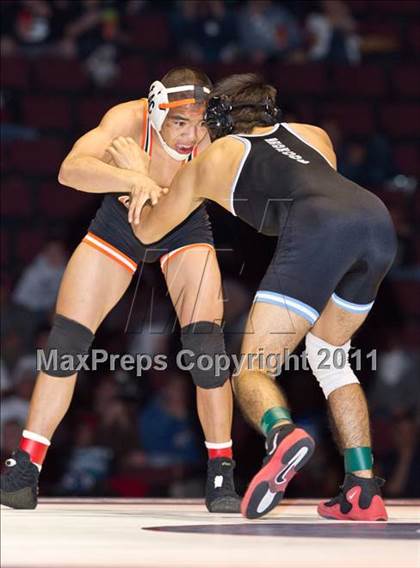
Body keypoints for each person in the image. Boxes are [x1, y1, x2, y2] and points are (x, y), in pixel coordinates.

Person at [123, 73, 397, 521]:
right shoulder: (314, 135)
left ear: (220, 118)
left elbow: (149, 232)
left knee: (251, 370)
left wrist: (138, 178)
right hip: (375, 223)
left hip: (318, 229)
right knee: (330, 354)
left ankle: (282, 434)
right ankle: (362, 489)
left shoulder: (212, 159)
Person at [0, 67, 240, 513]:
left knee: (207, 346)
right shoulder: (128, 120)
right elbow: (70, 170)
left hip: (183, 226)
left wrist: (149, 181)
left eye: (199, 123)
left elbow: (238, 192)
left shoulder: (215, 140)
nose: (190, 136)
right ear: (154, 114)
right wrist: (135, 179)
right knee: (66, 342)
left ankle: (221, 467)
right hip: (120, 226)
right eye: (179, 124)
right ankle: (26, 465)